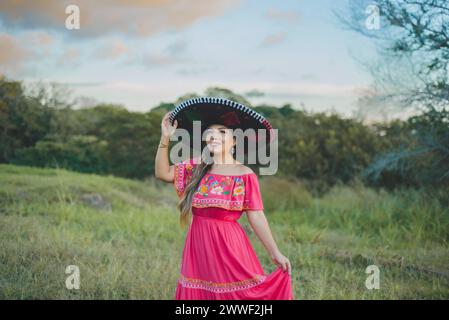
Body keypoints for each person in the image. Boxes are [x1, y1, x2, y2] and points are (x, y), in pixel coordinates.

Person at [155, 97, 294, 300]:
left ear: (235, 140)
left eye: (222, 132)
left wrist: (275, 252)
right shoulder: (196, 166)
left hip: (229, 246)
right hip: (198, 245)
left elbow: (256, 217)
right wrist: (165, 137)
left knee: (237, 296)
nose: (214, 136)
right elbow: (163, 173)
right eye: (210, 132)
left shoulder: (244, 174)